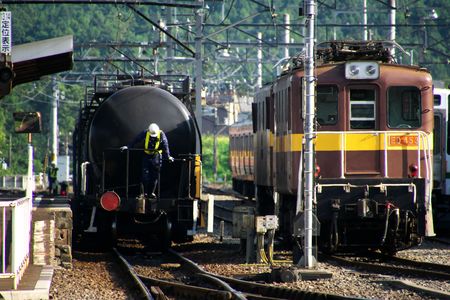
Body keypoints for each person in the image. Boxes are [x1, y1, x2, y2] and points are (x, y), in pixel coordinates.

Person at [121, 123, 174, 198]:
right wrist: (128, 146)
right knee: (145, 175)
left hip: (156, 157)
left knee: (155, 176)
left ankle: (151, 193)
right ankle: (144, 193)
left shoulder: (161, 134)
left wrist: (168, 156)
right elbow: (136, 139)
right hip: (146, 156)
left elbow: (166, 146)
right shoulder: (145, 133)